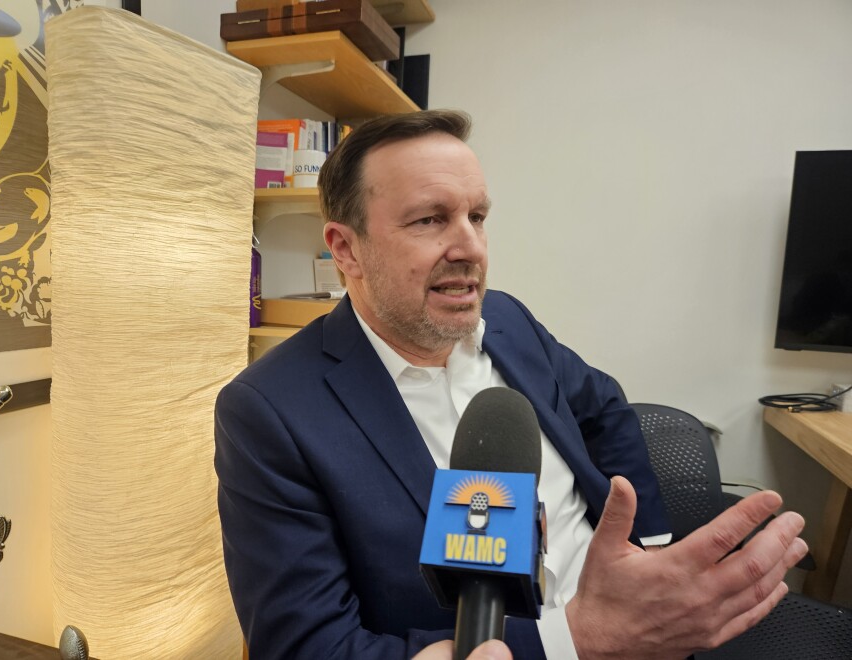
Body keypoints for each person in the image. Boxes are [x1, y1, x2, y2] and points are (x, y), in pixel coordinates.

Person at [214, 110, 807, 659]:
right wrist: (580, 637)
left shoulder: (509, 320)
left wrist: (649, 550)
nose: (471, 247)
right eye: (430, 220)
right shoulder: (270, 412)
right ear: (346, 249)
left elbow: (604, 408)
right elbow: (307, 646)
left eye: (477, 217)